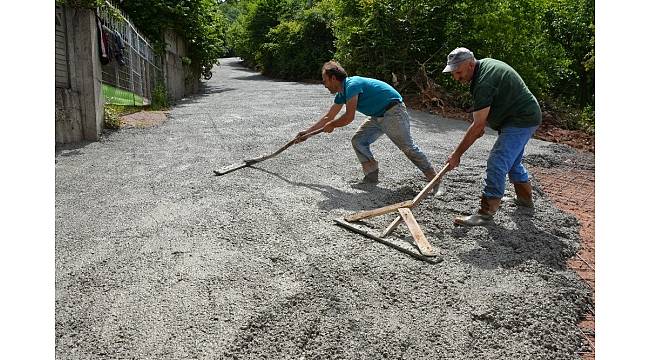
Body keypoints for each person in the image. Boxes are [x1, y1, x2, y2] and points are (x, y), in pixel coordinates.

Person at [295, 61, 441, 188]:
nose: (324, 85)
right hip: (377, 116)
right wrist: (306, 134)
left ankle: (435, 180)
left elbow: (348, 117)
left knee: (407, 147)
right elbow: (329, 116)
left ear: (333, 78)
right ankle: (371, 175)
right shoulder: (342, 93)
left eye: (325, 80)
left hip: (393, 112)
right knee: (359, 141)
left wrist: (332, 125)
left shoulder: (352, 85)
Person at [442, 47, 541, 226]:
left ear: (471, 65)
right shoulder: (483, 69)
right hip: (520, 117)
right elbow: (480, 125)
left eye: (458, 72)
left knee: (497, 160)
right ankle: (525, 200)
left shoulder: (483, 82)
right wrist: (477, 130)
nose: (456, 78)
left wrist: (457, 155)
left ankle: (486, 212)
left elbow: (478, 126)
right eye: (453, 74)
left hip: (521, 119)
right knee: (512, 162)